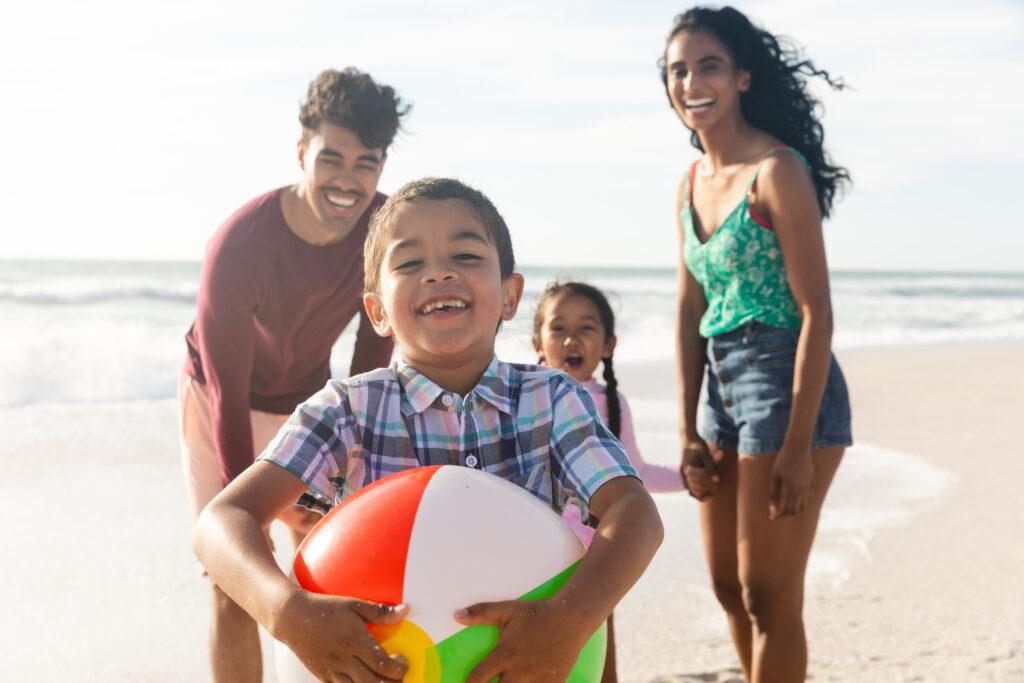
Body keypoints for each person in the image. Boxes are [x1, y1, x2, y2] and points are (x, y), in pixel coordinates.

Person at [192, 177, 665, 682]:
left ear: (510, 295)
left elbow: (636, 515)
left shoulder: (552, 400)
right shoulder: (347, 410)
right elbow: (221, 523)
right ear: (376, 312)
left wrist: (569, 620)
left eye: (465, 256)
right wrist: (290, 614)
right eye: (410, 262)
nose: (438, 272)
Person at [178, 67, 409, 682]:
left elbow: (373, 349)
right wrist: (243, 519)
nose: (348, 181)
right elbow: (228, 394)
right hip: (217, 403)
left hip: (306, 407)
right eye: (332, 158)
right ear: (302, 150)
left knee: (339, 561)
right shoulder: (240, 247)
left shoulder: (380, 230)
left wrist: (356, 470)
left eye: (367, 163)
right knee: (234, 580)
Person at [662, 6, 853, 682]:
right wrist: (687, 428)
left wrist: (799, 446)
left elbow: (817, 312)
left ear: (742, 77)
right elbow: (690, 309)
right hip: (720, 384)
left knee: (768, 592)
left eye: (708, 65)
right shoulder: (688, 185)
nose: (691, 82)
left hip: (787, 383)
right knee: (726, 587)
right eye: (677, 70)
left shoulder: (778, 171)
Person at [532, 280, 685, 683]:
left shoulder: (613, 404)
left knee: (600, 670)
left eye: (586, 328)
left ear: (608, 344)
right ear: (538, 342)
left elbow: (635, 478)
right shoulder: (524, 404)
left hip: (593, 571)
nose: (571, 339)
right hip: (530, 568)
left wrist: (689, 477)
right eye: (558, 328)